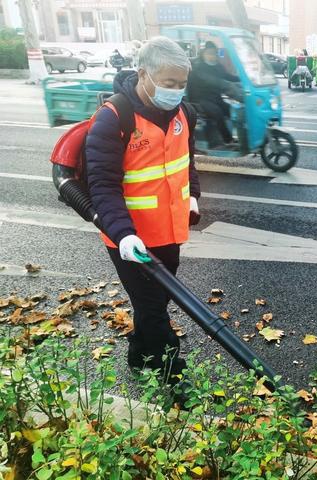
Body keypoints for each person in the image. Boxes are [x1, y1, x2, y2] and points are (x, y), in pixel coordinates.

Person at [85, 36, 200, 386]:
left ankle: (138, 354)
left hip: (170, 231)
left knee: (157, 301)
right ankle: (170, 373)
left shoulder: (184, 114)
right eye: (168, 84)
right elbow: (101, 186)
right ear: (143, 75)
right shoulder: (114, 118)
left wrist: (193, 195)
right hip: (129, 236)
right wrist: (122, 233)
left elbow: (187, 163)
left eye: (182, 84)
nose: (176, 91)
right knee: (152, 306)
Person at [187, 41, 242, 147]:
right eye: (209, 53)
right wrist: (226, 84)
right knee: (218, 113)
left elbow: (226, 76)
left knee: (231, 111)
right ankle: (228, 140)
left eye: (214, 53)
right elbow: (211, 80)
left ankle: (235, 136)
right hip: (200, 99)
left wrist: (242, 80)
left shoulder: (218, 66)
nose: (212, 56)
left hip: (216, 98)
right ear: (203, 54)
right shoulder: (198, 67)